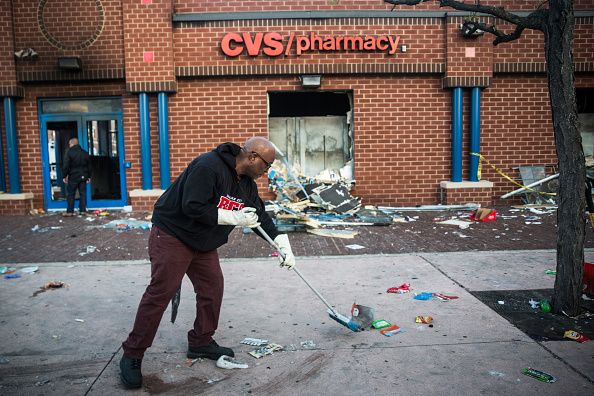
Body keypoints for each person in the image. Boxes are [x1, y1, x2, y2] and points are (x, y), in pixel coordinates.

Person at [119, 137, 296, 389]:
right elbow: (192, 206)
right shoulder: (208, 166)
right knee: (161, 292)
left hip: (202, 242)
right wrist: (234, 216)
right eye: (267, 165)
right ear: (253, 157)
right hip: (173, 234)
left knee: (212, 288)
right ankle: (133, 354)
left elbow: (258, 216)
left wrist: (280, 242)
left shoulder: (246, 184)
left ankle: (200, 342)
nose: (267, 172)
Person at [62, 137, 92, 216]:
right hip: (83, 176)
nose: (69, 145)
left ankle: (70, 211)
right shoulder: (85, 152)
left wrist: (64, 176)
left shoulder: (69, 152)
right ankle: (83, 210)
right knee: (82, 193)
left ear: (72, 143)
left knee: (71, 193)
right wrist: (89, 176)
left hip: (73, 176)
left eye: (69, 144)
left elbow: (66, 165)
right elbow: (89, 166)